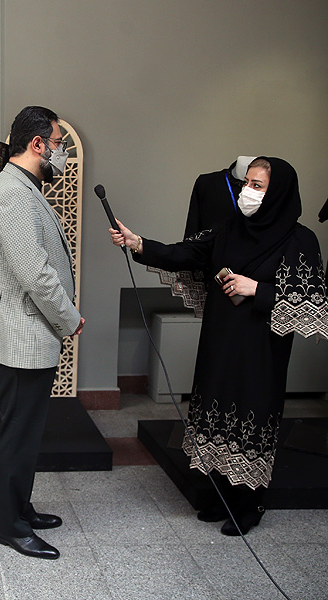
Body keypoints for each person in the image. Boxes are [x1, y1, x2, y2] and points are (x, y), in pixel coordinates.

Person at [110, 157, 328, 535]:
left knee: (251, 414)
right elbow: (188, 253)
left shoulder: (300, 240)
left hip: (261, 348)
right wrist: (140, 244)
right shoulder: (230, 227)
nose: (248, 192)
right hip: (220, 338)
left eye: (258, 186)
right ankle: (221, 495)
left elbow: (310, 301)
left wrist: (256, 289)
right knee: (216, 406)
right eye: (247, 183)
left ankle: (250, 504)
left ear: (278, 193)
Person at [0, 106, 84, 559]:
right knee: (19, 434)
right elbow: (35, 275)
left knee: (27, 431)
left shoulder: (23, 187)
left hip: (29, 330)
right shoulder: (12, 195)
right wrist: (69, 318)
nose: (61, 153)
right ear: (37, 144)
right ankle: (10, 526)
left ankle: (21, 507)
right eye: (58, 144)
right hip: (21, 333)